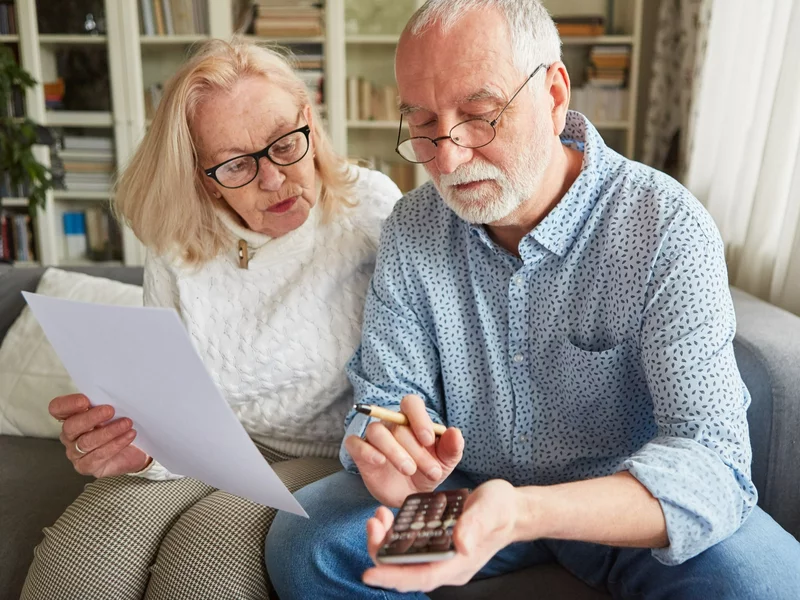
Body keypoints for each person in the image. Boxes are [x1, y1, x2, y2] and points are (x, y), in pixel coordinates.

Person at [265, 1, 800, 598]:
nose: (447, 156)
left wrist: (526, 510)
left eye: (479, 115)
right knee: (304, 546)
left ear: (553, 95)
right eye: (421, 123)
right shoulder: (412, 227)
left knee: (771, 587)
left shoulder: (666, 226)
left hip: (622, 505)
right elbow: (384, 400)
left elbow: (712, 460)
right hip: (458, 499)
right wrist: (389, 454)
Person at [22, 38, 401, 600]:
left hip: (323, 453)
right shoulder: (178, 237)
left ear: (308, 121)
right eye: (235, 164)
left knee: (205, 562)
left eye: (283, 145)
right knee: (78, 563)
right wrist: (135, 442)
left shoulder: (371, 209)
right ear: (200, 173)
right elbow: (169, 391)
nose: (272, 179)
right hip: (198, 447)